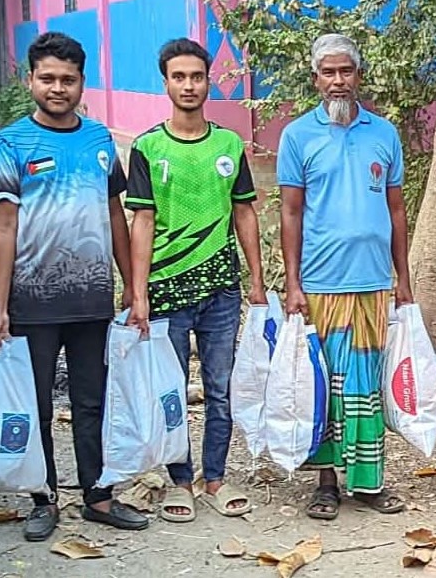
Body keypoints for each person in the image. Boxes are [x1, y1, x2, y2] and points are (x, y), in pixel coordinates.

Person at [0, 31, 149, 541]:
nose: (58, 88)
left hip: (91, 300)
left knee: (93, 400)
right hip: (31, 302)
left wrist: (132, 288)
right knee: (34, 402)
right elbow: (4, 227)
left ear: (82, 83)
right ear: (30, 80)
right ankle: (44, 497)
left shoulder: (99, 141)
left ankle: (98, 494)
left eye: (68, 80)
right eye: (48, 78)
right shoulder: (9, 144)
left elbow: (114, 215)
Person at [125, 38, 265, 523]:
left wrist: (257, 281)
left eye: (197, 76)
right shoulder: (147, 147)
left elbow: (244, 212)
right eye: (179, 77)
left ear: (209, 81)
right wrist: (138, 293)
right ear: (165, 83)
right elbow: (140, 222)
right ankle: (179, 482)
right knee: (173, 388)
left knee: (220, 387)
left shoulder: (228, 144)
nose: (188, 85)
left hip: (221, 289)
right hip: (165, 287)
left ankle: (216, 477)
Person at [277, 33, 411, 519]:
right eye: (328, 72)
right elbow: (290, 213)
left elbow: (396, 211)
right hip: (321, 284)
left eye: (346, 71)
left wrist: (405, 281)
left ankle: (369, 484)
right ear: (316, 79)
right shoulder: (298, 136)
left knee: (365, 386)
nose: (338, 81)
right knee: (327, 386)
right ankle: (327, 484)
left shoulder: (384, 134)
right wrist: (292, 283)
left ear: (359, 76)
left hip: (374, 283)